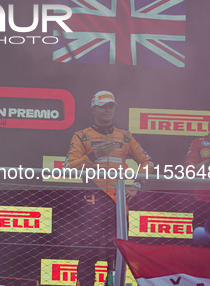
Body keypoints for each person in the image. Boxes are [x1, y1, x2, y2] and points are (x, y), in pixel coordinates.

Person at [64, 91, 154, 286]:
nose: (107, 109)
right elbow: (68, 168)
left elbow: (147, 162)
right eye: (102, 105)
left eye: (110, 105)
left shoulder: (125, 136)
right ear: (93, 109)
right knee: (88, 250)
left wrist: (137, 185)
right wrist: (93, 155)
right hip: (92, 200)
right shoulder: (82, 136)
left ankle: (113, 282)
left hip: (118, 201)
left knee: (115, 251)